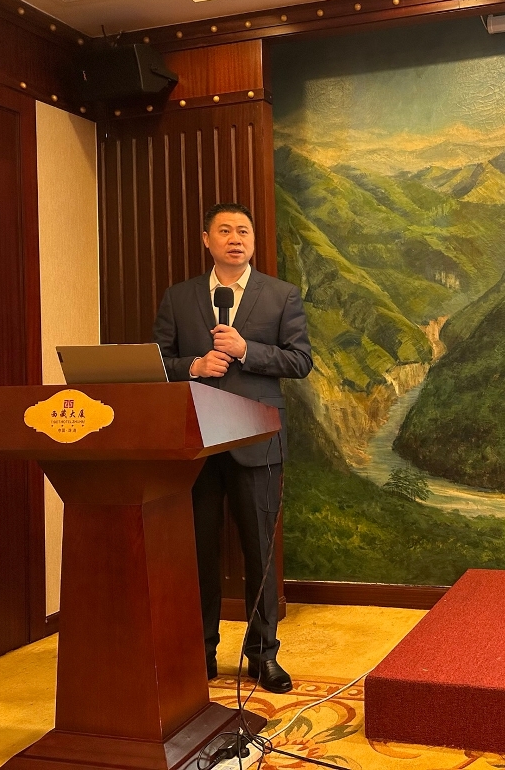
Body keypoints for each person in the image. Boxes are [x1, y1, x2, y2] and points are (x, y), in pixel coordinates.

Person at [153, 201, 312, 693]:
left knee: (259, 551)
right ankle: (199, 653)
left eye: (243, 231)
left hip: (256, 440)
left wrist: (247, 351)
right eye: (224, 230)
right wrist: (194, 367)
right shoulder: (179, 297)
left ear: (253, 241)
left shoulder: (281, 295)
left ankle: (263, 655)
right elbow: (157, 361)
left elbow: (300, 361)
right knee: (198, 552)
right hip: (197, 442)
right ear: (207, 240)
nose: (235, 238)